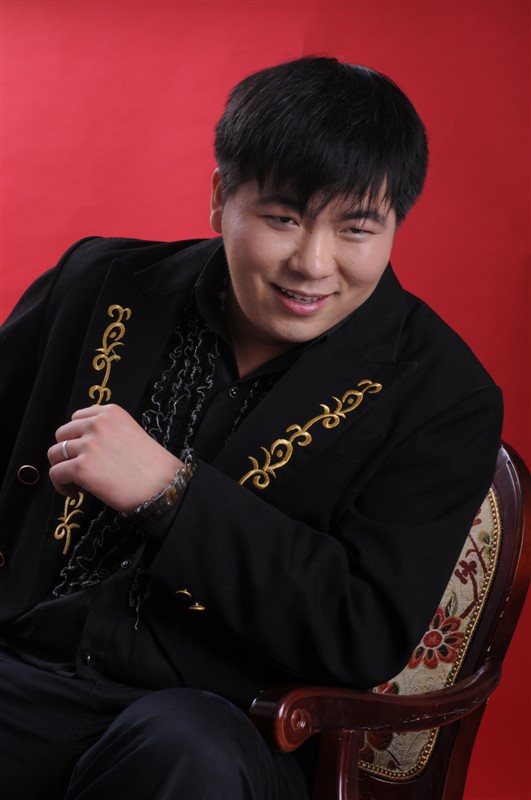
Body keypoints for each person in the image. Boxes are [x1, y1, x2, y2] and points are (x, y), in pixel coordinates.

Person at [0, 57, 502, 799]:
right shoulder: (99, 283)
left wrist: (171, 493)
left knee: (184, 748)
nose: (313, 263)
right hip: (24, 675)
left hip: (224, 726)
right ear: (219, 199)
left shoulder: (443, 395)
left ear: (394, 224)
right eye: (283, 219)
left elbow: (361, 632)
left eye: (356, 228)